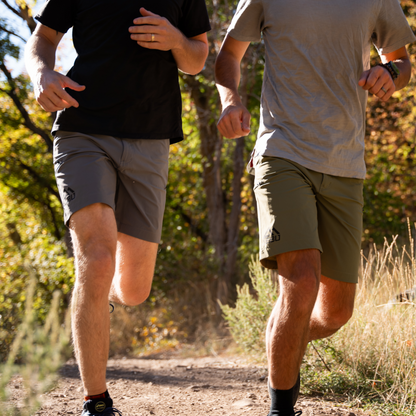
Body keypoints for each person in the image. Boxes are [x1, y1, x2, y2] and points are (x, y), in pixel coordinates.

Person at [215, 1, 415, 415]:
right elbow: (228, 56)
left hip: (345, 162)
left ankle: (282, 341)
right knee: (302, 281)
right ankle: (281, 408)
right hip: (282, 151)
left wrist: (388, 73)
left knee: (337, 311)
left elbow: (401, 62)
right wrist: (231, 101)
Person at [25, 0, 210, 414]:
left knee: (133, 289)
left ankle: (98, 290)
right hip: (82, 127)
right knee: (97, 255)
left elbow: (197, 57)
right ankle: (96, 400)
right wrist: (41, 73)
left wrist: (176, 40)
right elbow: (44, 36)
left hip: (151, 137)